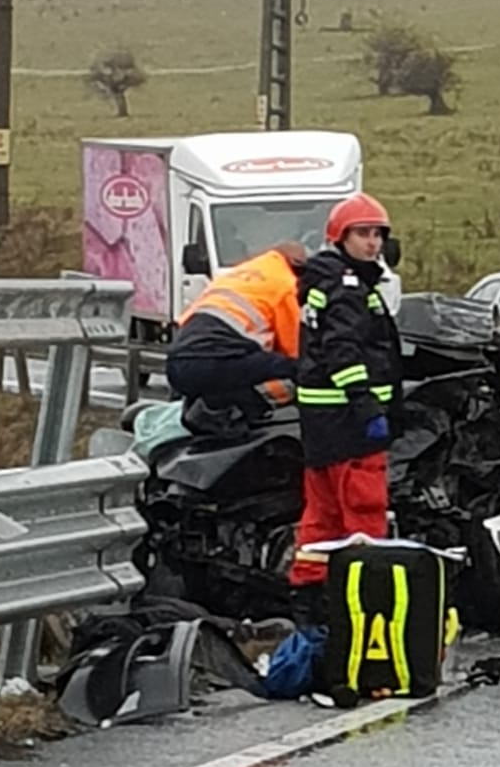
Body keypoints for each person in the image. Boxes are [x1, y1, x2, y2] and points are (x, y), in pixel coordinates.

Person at [289, 193, 400, 593]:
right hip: (351, 427)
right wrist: (367, 405)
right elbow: (343, 351)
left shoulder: (324, 280)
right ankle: (367, 601)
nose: (372, 243)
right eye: (362, 234)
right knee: (363, 519)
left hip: (321, 428)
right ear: (341, 237)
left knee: (321, 521)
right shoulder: (349, 287)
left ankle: (310, 599)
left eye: (377, 234)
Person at [167, 241, 306, 424]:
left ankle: (204, 422)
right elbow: (294, 349)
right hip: (212, 361)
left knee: (233, 387)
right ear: (297, 266)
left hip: (177, 361)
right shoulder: (285, 284)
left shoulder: (238, 274)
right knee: (290, 367)